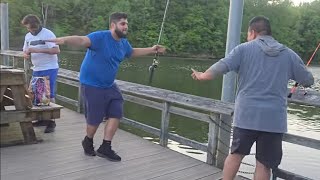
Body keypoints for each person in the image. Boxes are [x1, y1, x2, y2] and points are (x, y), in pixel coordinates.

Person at [191, 16, 314, 180]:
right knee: (264, 164)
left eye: (248, 34)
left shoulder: (243, 49)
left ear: (253, 32)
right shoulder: (289, 54)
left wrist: (203, 75)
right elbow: (308, 81)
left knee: (236, 155)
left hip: (246, 116)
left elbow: (223, 65)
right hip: (274, 120)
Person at [46, 12, 165, 161]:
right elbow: (82, 40)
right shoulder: (100, 37)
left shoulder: (123, 43)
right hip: (92, 84)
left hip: (109, 85)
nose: (126, 26)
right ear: (113, 25)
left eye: (127, 24)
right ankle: (88, 140)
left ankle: (105, 147)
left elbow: (132, 52)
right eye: (123, 24)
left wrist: (152, 49)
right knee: (94, 120)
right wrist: (65, 40)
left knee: (116, 111)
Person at [22, 14, 60, 133]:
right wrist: (26, 54)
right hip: (36, 68)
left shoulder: (48, 34)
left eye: (32, 28)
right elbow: (25, 50)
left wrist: (36, 50)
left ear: (37, 25)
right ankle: (42, 119)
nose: (30, 30)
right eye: (28, 28)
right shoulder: (28, 36)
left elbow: (56, 50)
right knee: (37, 95)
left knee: (49, 95)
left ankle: (51, 122)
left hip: (49, 68)